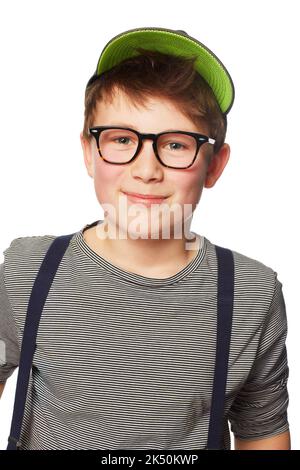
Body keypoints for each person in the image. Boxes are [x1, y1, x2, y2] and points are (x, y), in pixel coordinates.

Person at [0, 26, 290, 450]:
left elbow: (262, 432)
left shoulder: (252, 293)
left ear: (214, 165)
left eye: (175, 145)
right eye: (121, 139)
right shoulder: (28, 269)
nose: (146, 170)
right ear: (88, 152)